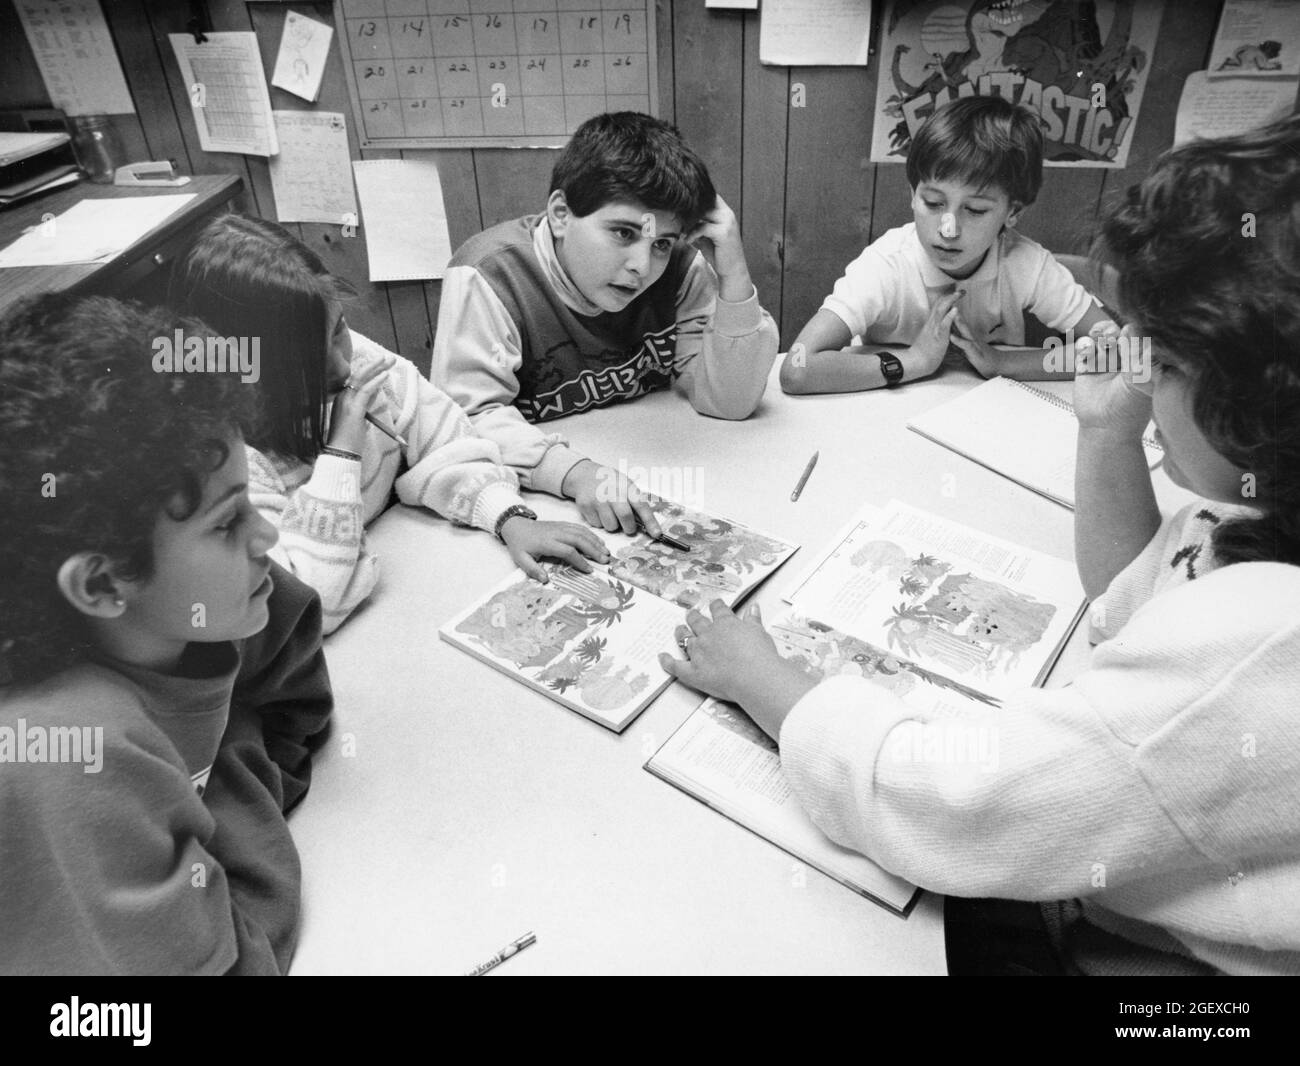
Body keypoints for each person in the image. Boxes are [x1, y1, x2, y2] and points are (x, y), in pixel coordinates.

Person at [663, 115, 1300, 975]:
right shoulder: (1252, 520)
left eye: (1170, 361)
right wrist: (1109, 437)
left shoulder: (1261, 640)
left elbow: (957, 806)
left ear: (1254, 400)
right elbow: (1127, 598)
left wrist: (763, 678)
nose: (1143, 371)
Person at [0, 294, 333, 974]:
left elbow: (292, 705)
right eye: (227, 521)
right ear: (101, 584)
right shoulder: (61, 756)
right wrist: (211, 815)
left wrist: (218, 777)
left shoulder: (212, 611)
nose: (267, 536)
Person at [171, 215, 607, 633]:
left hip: (403, 592)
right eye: (307, 360)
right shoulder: (220, 453)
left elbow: (444, 440)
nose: (343, 365)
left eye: (338, 329)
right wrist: (343, 449)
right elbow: (311, 604)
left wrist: (510, 518)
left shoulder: (354, 359)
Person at [432, 111, 779, 535]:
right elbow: (470, 418)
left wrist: (734, 268)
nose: (641, 266)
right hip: (537, 502)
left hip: (660, 472)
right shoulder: (488, 275)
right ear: (561, 213)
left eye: (662, 243)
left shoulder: (680, 267)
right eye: (623, 233)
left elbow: (730, 401)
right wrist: (577, 474)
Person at [781, 96, 1114, 393]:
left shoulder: (1025, 262)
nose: (949, 229)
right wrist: (914, 360)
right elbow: (796, 367)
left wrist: (1001, 363)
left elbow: (1123, 352)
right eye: (934, 203)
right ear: (913, 195)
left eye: (975, 210)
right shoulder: (887, 263)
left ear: (1012, 212)